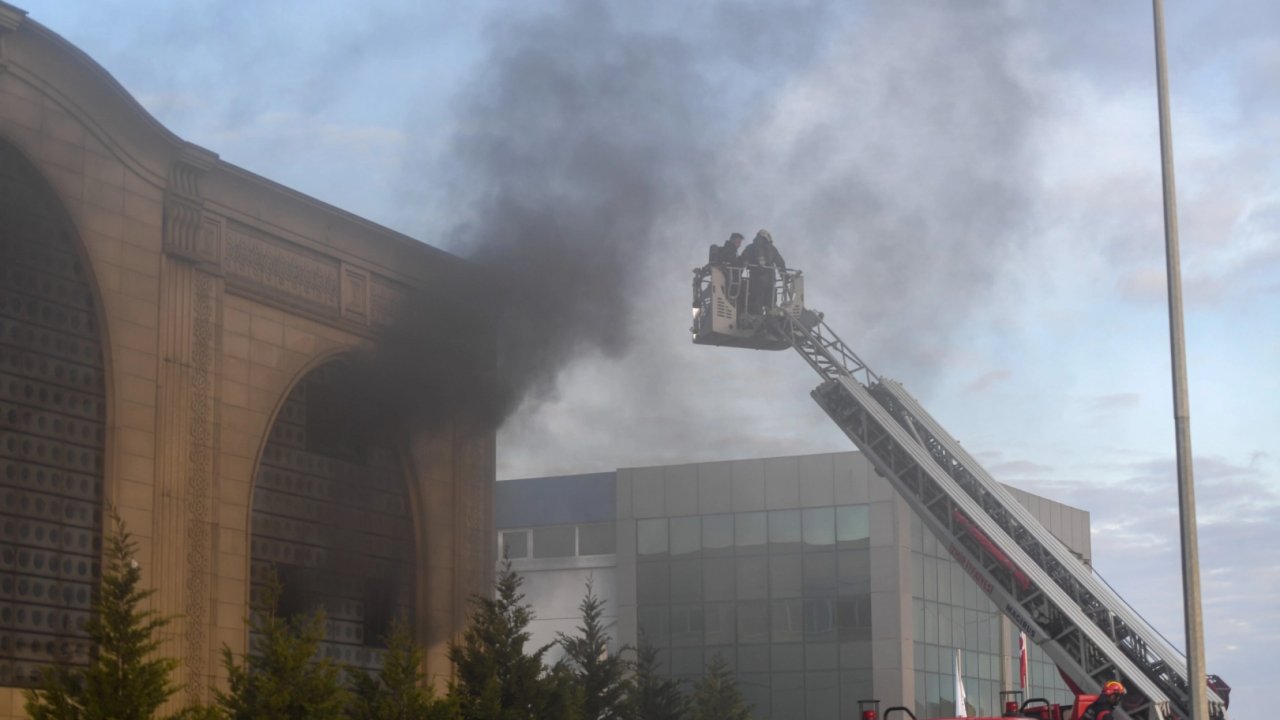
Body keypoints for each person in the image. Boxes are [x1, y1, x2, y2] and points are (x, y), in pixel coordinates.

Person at [739, 229, 785, 314]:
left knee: (767, 300)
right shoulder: (755, 248)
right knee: (760, 301)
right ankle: (763, 315)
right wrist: (784, 275)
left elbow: (780, 263)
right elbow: (743, 260)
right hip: (760, 281)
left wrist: (784, 275)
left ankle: (768, 315)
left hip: (765, 281)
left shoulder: (754, 248)